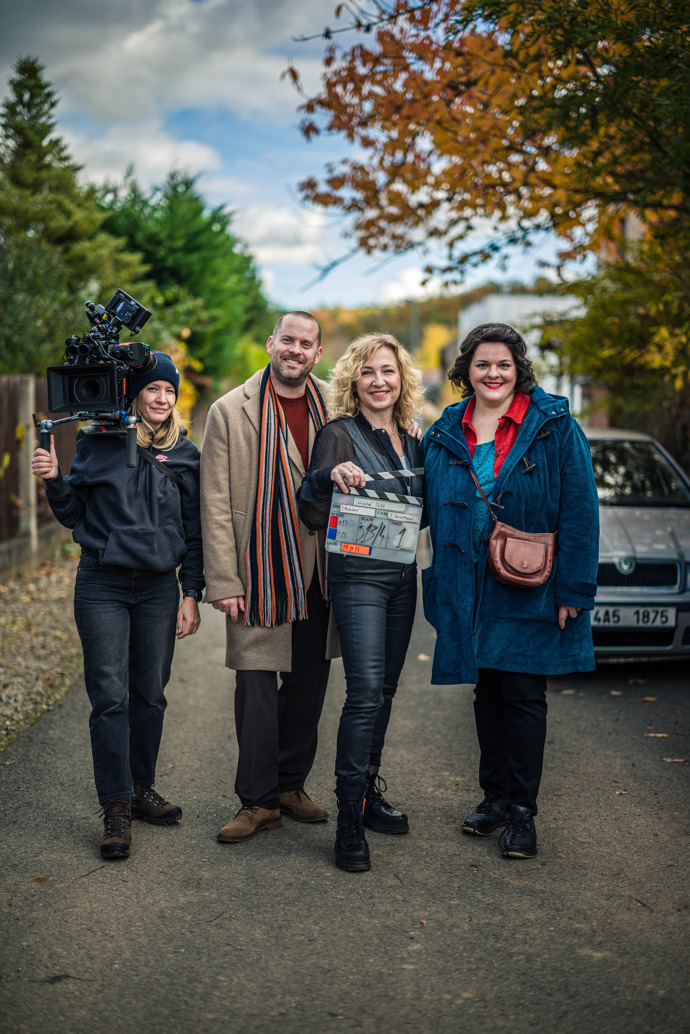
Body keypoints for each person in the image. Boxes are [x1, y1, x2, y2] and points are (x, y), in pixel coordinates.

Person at [420, 323, 599, 859]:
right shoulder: (447, 428)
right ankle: (494, 796)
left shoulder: (554, 426)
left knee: (523, 694)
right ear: (465, 371)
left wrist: (575, 589)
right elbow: (419, 499)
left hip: (530, 581)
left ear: (518, 368)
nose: (493, 374)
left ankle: (522, 812)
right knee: (488, 691)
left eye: (503, 364)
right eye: (482, 365)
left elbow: (581, 510)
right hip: (466, 581)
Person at [31, 352, 204, 860]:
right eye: (153, 389)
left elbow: (195, 533)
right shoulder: (97, 444)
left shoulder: (187, 455)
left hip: (157, 588)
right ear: (134, 395)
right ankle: (116, 806)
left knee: (150, 693)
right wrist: (54, 478)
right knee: (110, 696)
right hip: (102, 584)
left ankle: (141, 787)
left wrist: (191, 592)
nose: (162, 398)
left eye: (169, 391)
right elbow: (72, 515)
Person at [200, 311, 339, 845]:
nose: (296, 350)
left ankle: (289, 786)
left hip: (321, 567)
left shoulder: (335, 404)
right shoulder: (230, 409)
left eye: (307, 344)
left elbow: (382, 433)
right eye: (288, 340)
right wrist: (223, 579)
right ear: (271, 343)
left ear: (317, 353)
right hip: (258, 566)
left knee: (308, 685)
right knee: (255, 687)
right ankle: (256, 802)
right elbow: (213, 500)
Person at [299, 333, 425, 873]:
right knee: (366, 691)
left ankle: (370, 793)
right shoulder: (338, 433)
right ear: (354, 379)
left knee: (388, 690)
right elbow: (309, 502)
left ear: (403, 381)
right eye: (369, 371)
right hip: (357, 579)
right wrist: (331, 474)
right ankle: (349, 815)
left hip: (402, 579)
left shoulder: (413, 439)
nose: (380, 380)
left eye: (389, 372)